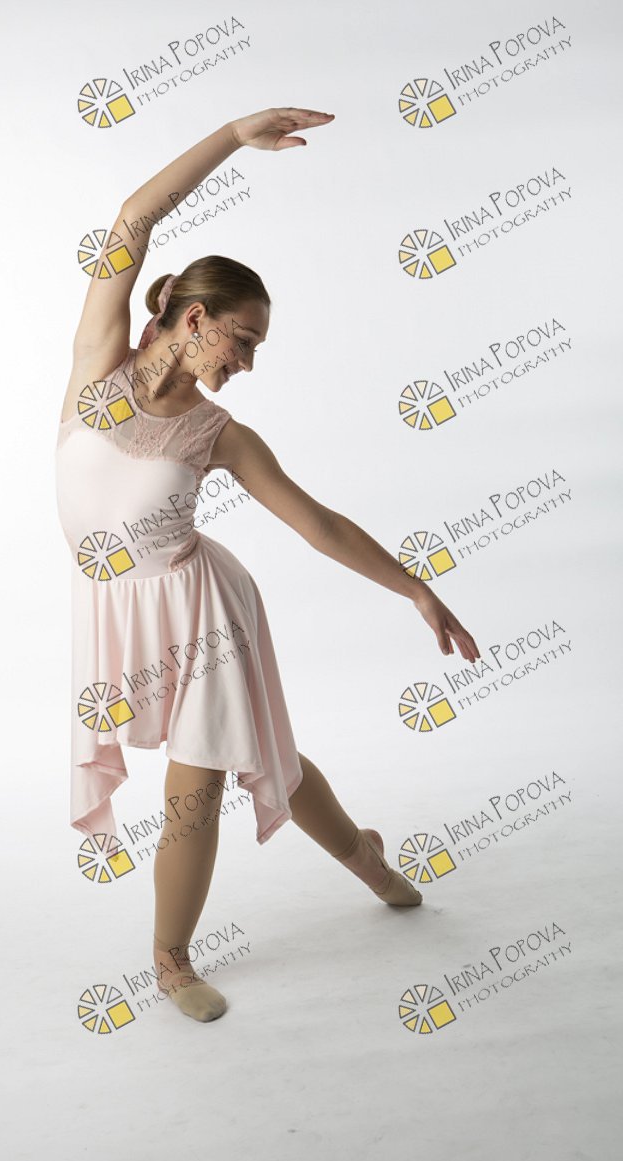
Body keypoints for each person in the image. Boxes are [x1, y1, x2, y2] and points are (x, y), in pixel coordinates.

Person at [54, 108, 480, 1023]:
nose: (248, 362)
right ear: (194, 318)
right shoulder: (97, 363)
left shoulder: (221, 434)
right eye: (242, 340)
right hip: (116, 608)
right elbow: (133, 217)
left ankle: (170, 960)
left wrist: (415, 587)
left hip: (202, 613)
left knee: (202, 776)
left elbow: (317, 524)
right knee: (271, 754)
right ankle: (368, 858)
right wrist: (232, 136)